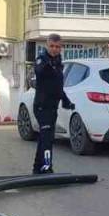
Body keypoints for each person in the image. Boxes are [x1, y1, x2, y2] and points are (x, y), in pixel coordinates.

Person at [31, 33, 75, 174]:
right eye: (52, 46)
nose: (54, 49)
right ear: (47, 45)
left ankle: (38, 168)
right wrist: (49, 65)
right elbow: (39, 71)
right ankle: (46, 168)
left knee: (46, 138)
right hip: (42, 106)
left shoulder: (59, 62)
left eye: (57, 47)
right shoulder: (42, 59)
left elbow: (58, 87)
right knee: (47, 139)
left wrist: (66, 101)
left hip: (52, 107)